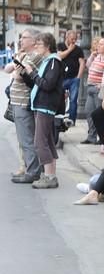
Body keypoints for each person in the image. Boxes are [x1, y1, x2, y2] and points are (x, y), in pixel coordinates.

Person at [19, 33, 64, 189]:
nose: (36, 46)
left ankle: (49, 176)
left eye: (39, 43)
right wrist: (26, 74)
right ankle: (51, 175)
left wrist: (32, 72)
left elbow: (47, 84)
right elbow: (37, 84)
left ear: (47, 46)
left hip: (45, 106)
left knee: (40, 142)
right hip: (41, 105)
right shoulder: (48, 61)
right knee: (48, 141)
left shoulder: (53, 62)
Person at [5, 27, 43, 183]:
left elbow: (20, 77)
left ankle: (33, 172)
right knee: (23, 139)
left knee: (27, 139)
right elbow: (9, 69)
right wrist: (16, 65)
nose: (21, 40)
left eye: (24, 37)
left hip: (23, 102)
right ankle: (28, 168)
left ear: (33, 41)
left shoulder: (34, 56)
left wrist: (16, 69)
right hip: (16, 101)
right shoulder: (24, 55)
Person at [82, 37, 104, 144]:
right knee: (89, 112)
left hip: (98, 89)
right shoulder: (97, 57)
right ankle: (91, 136)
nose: (98, 46)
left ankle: (102, 138)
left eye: (101, 44)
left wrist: (101, 85)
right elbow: (88, 66)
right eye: (98, 44)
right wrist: (92, 56)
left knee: (98, 114)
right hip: (90, 87)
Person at [58, 30, 85, 126]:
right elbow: (59, 56)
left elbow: (82, 63)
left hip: (74, 78)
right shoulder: (60, 46)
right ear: (67, 37)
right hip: (62, 78)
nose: (74, 41)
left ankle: (72, 120)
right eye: (72, 39)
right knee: (59, 98)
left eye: (75, 39)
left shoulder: (78, 50)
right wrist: (69, 50)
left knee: (73, 100)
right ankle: (59, 117)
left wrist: (78, 77)